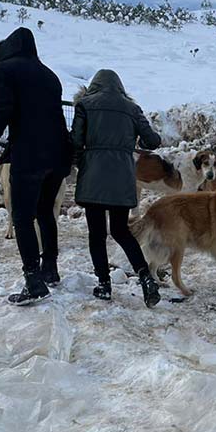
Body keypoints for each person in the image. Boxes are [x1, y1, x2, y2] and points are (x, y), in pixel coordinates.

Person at [0, 27, 72, 306]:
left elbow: (2, 110)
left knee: (22, 217)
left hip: (29, 156)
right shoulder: (49, 75)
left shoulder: (3, 70)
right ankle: (49, 268)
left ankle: (33, 280)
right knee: (45, 212)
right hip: (58, 155)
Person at [70, 70, 162, 307]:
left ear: (93, 86)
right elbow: (152, 141)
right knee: (121, 231)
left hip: (94, 176)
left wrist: (83, 163)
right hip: (122, 177)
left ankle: (104, 284)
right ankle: (145, 277)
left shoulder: (85, 105)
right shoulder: (132, 108)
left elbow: (75, 142)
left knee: (97, 234)